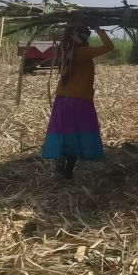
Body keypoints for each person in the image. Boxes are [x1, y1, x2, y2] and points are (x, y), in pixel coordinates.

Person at [42, 24, 115, 178]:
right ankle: (68, 169)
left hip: (62, 100)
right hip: (78, 100)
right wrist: (99, 29)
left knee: (66, 133)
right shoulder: (83, 52)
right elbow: (109, 46)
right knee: (77, 134)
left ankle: (62, 163)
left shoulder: (66, 50)